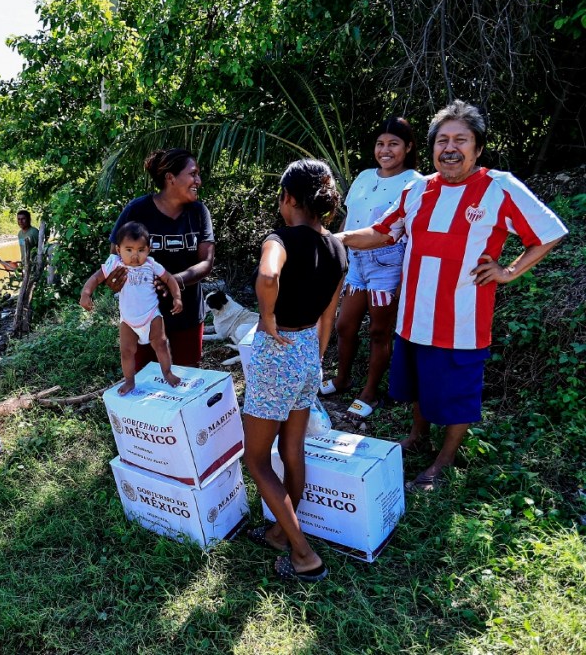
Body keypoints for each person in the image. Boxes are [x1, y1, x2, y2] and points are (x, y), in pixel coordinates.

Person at [337, 100, 568, 491]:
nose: (450, 147)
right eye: (442, 139)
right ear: (430, 148)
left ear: (478, 147)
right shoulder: (417, 189)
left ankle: (443, 462)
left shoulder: (500, 187)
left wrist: (508, 271)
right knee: (416, 384)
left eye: (461, 139)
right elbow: (382, 232)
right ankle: (417, 437)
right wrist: (332, 238)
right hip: (412, 315)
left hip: (463, 320)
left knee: (458, 392)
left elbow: (550, 232)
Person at [243, 159, 347, 583]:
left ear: (288, 198)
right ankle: (279, 535)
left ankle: (303, 554)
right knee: (292, 450)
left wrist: (266, 317)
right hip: (307, 352)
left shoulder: (280, 238)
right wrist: (316, 357)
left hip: (278, 349)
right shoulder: (338, 247)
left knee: (255, 459)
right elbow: (330, 313)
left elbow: (269, 275)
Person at [320, 117, 421, 418]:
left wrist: (405, 277)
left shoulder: (415, 182)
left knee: (379, 331)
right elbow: (350, 219)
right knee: (344, 325)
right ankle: (342, 378)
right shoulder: (364, 176)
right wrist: (336, 250)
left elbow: (411, 232)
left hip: (388, 262)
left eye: (393, 144)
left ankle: (370, 391)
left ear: (408, 147)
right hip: (357, 261)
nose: (385, 150)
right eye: (380, 143)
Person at [107, 148, 215, 370]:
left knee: (188, 378)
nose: (199, 181)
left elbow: (206, 262)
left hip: (187, 313)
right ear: (170, 178)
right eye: (193, 174)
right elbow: (115, 258)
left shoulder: (198, 212)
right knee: (146, 380)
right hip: (142, 317)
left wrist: (175, 280)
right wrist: (113, 280)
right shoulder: (137, 211)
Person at [80, 222, 183, 394]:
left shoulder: (151, 264)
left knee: (161, 344)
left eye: (140, 250)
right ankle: (129, 381)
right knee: (126, 351)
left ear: (148, 250)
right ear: (119, 250)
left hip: (152, 315)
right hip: (128, 319)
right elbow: (96, 278)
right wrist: (86, 294)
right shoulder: (115, 264)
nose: (135, 255)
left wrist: (177, 297)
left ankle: (167, 372)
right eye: (129, 250)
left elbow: (170, 279)